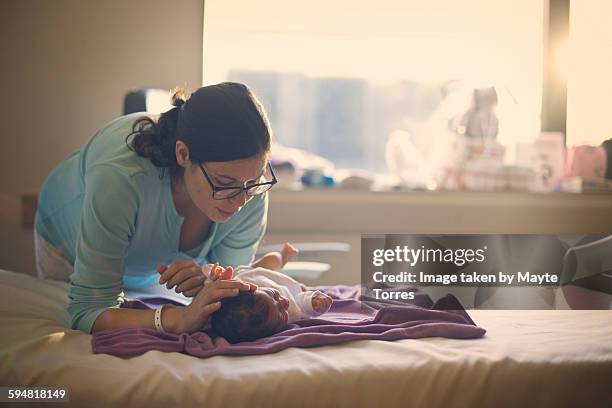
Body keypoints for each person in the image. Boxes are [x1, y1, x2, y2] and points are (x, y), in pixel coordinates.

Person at [34, 82, 278, 334]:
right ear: (183, 154)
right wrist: (177, 318)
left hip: (146, 270)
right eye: (223, 183)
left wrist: (207, 284)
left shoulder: (250, 190)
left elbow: (230, 297)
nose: (241, 201)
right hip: (67, 244)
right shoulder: (121, 176)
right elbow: (88, 311)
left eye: (255, 180)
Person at [207, 243, 333, 343]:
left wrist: (215, 277)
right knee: (297, 287)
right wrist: (313, 303)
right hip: (286, 287)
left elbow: (210, 291)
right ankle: (282, 261)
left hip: (252, 275)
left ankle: (282, 258)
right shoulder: (290, 312)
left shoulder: (238, 291)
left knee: (272, 259)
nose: (284, 302)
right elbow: (300, 304)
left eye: (275, 296)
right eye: (280, 315)